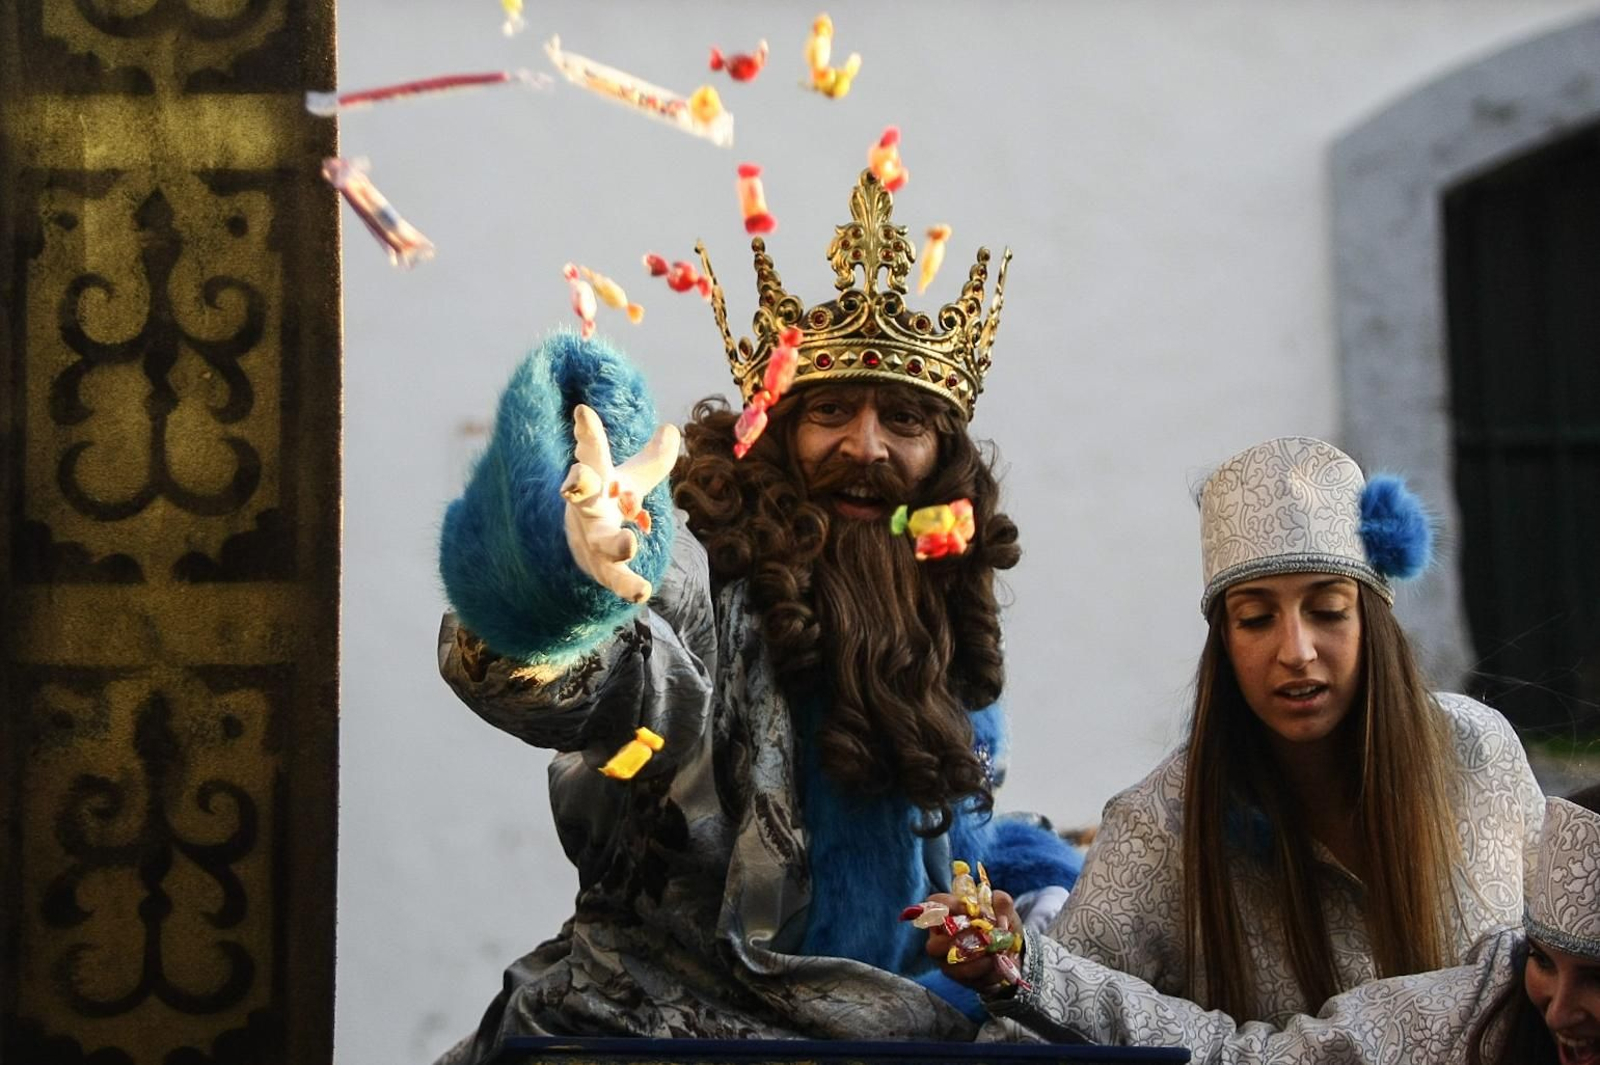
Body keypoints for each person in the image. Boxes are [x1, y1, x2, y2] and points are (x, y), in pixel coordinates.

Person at [431, 169, 1081, 1061]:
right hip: (666, 1036)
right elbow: (591, 677)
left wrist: (1034, 890)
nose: (866, 446)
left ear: (941, 460)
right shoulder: (704, 578)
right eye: (829, 413)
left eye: (902, 420)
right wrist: (572, 583)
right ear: (775, 434)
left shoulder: (939, 622)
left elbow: (938, 858)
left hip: (914, 1036)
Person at [1045, 436, 1545, 1025]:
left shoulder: (1476, 753)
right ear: (1223, 644)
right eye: (1255, 619)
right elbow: (1038, 1019)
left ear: (1371, 622)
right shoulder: (1161, 824)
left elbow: (1569, 957)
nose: (1296, 651)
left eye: (1328, 610)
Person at [920, 788, 1600, 1063]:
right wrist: (1027, 967)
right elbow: (1237, 1057)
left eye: (1596, 975)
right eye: (1543, 959)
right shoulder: (1479, 1011)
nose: (1560, 1008)